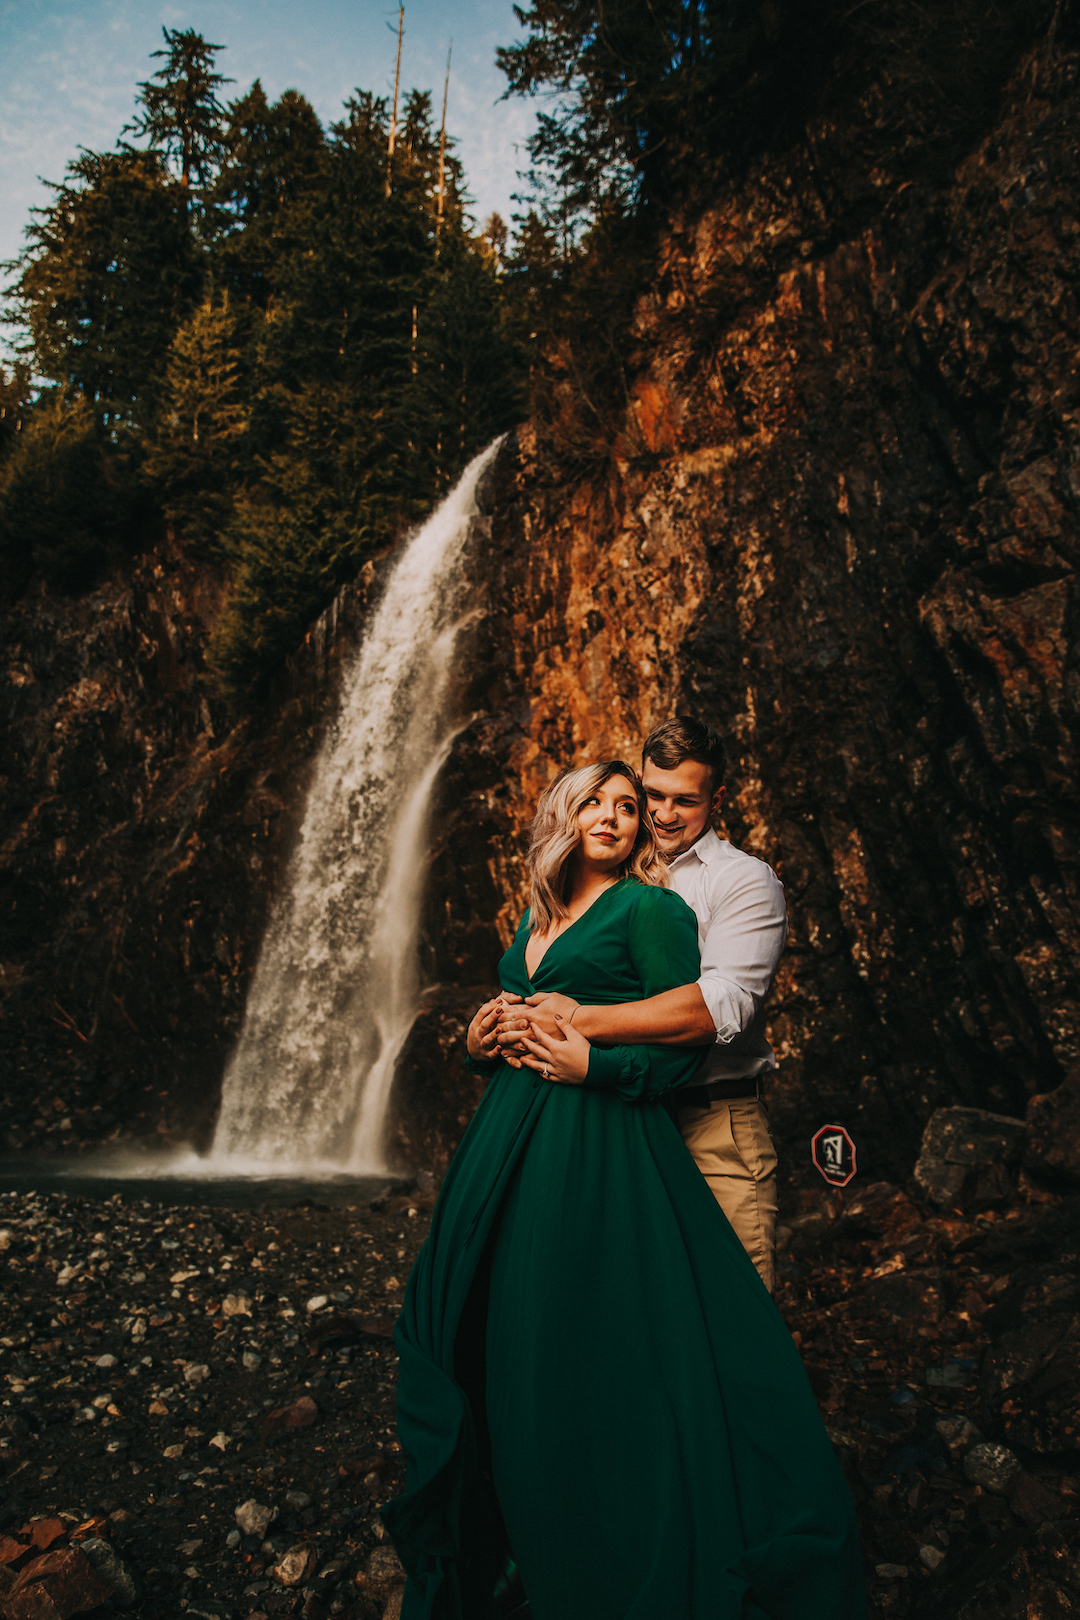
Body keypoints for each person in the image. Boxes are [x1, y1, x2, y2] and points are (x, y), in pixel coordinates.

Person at [383, 760, 865, 1620]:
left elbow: (688, 1034)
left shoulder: (654, 909)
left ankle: (622, 1544)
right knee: (498, 1330)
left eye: (629, 806)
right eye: (594, 801)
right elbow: (517, 1005)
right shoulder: (535, 913)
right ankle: (519, 1534)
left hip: (594, 1136)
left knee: (597, 1344)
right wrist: (476, 1035)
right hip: (506, 1143)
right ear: (560, 813)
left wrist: (594, 1060)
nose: (613, 815)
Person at [495, 717, 786, 1291]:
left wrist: (576, 1018)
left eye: (686, 800)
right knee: (635, 1305)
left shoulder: (744, 881)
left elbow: (720, 1007)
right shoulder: (596, 877)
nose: (664, 814)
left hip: (711, 1121)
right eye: (651, 795)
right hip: (614, 1119)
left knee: (734, 1302)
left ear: (717, 799)